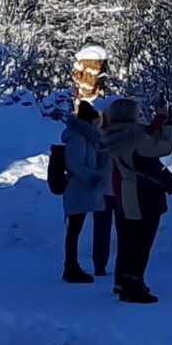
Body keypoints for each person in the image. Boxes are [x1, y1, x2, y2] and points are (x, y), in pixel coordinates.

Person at [99, 97, 172, 304]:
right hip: (145, 195)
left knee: (128, 241)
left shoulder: (115, 135)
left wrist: (158, 121)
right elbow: (162, 147)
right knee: (142, 243)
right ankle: (134, 285)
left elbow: (145, 139)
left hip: (125, 192)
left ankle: (124, 281)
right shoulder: (136, 138)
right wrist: (168, 127)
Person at [59, 100, 113, 283]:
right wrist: (93, 177)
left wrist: (101, 159)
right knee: (74, 229)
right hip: (77, 190)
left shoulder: (86, 139)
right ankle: (70, 266)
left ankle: (72, 266)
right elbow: (77, 165)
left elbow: (88, 160)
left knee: (76, 228)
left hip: (81, 191)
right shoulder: (79, 138)